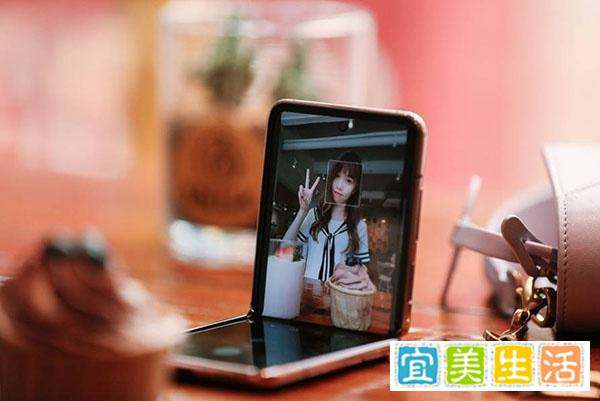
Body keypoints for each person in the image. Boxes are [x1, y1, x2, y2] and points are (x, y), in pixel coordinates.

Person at [283, 151, 370, 281]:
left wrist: (351, 269)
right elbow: (284, 248)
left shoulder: (359, 226)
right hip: (307, 289)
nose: (339, 186)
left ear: (355, 189)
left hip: (338, 291)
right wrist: (302, 211)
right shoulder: (314, 215)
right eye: (337, 176)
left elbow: (361, 268)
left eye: (348, 180)